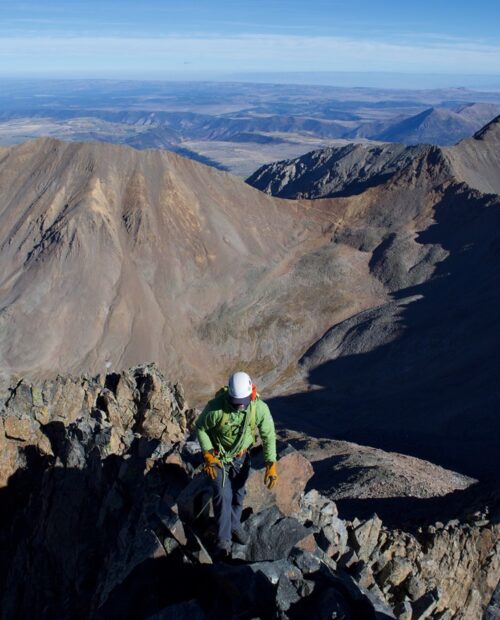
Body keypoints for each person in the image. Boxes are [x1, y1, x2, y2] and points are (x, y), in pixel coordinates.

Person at [195, 371, 278, 559]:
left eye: (244, 401)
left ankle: (234, 525)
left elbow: (268, 435)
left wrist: (270, 464)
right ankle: (223, 540)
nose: (241, 406)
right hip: (218, 459)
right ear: (229, 396)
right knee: (223, 494)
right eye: (236, 401)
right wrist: (208, 453)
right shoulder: (216, 409)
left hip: (241, 458)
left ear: (251, 394)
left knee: (239, 494)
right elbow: (200, 427)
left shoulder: (259, 408)